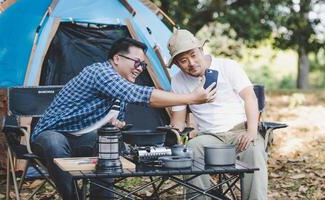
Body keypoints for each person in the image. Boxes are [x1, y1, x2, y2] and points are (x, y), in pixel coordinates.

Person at [30, 37, 216, 200]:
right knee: (54, 141)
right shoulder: (99, 72)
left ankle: (101, 197)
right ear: (117, 59)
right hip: (50, 135)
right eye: (137, 62)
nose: (140, 69)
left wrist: (115, 124)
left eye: (143, 65)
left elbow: (113, 118)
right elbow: (141, 95)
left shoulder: (121, 85)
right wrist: (191, 97)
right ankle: (72, 197)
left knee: (109, 142)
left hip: (82, 139)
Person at [168, 29, 267, 200]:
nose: (191, 63)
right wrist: (173, 137)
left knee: (254, 150)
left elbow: (250, 98)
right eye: (183, 60)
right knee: (190, 149)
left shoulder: (227, 66)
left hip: (239, 132)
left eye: (193, 55)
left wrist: (251, 131)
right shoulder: (178, 80)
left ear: (201, 50)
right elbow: (178, 122)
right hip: (209, 137)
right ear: (176, 64)